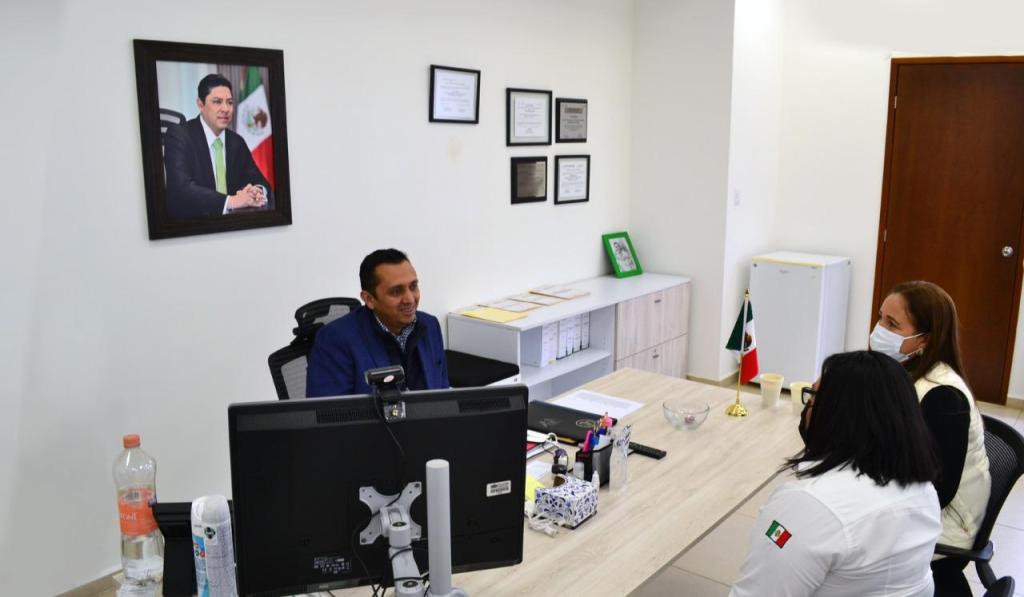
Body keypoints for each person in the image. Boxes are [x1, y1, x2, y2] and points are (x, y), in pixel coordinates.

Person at [731, 351, 942, 596]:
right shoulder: (925, 492)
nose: (807, 407)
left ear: (837, 414)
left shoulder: (810, 505)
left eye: (813, 397)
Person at [872, 280, 992, 593]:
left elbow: (938, 490)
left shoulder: (942, 396)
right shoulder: (905, 372)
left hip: (945, 527)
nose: (879, 330)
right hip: (912, 504)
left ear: (925, 339)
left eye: (892, 324)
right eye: (880, 317)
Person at [306, 249, 448, 397]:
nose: (410, 299)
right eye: (396, 291)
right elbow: (331, 410)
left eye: (413, 287)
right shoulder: (335, 340)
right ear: (369, 299)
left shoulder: (430, 326)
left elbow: (444, 395)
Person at [163, 74, 273, 218]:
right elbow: (181, 189)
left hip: (234, 224)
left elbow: (259, 180)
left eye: (229, 102)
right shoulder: (179, 135)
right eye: (217, 102)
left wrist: (257, 191)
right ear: (200, 104)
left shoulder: (236, 141)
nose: (225, 109)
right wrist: (231, 201)